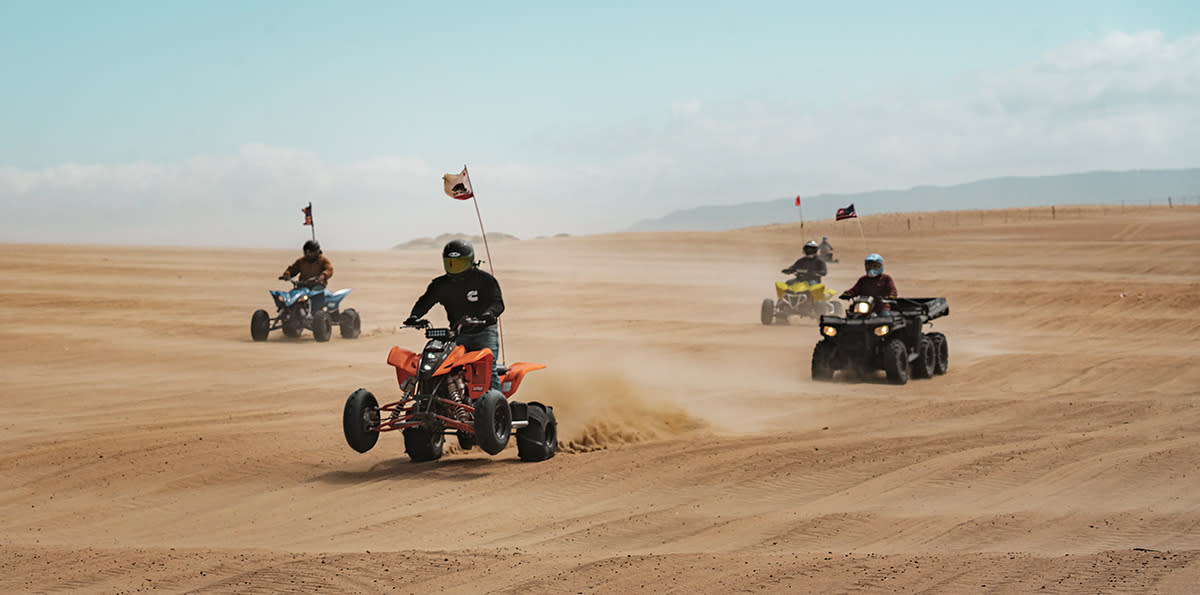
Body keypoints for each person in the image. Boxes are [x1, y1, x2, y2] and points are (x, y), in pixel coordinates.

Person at [404, 239, 505, 391]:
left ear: (470, 261)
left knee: (487, 370)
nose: (454, 268)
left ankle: (497, 408)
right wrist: (414, 317)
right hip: (458, 333)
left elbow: (498, 303)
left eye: (460, 263)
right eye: (451, 263)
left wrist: (488, 315)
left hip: (483, 332)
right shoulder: (440, 284)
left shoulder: (484, 280)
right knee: (443, 367)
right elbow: (424, 302)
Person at [280, 239, 334, 311]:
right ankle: (287, 311)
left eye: (310, 252)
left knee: (314, 297)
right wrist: (287, 274)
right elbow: (293, 268)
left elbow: (329, 269)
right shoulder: (301, 261)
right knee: (292, 296)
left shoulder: (323, 260)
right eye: (306, 252)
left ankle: (314, 312)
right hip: (303, 285)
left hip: (317, 285)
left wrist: (323, 276)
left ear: (316, 252)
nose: (308, 254)